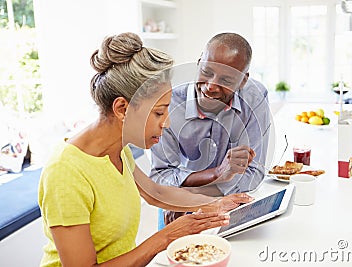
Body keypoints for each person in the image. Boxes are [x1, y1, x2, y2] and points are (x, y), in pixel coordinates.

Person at [37, 32, 253, 267]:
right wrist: (166, 237)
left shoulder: (117, 150)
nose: (167, 123)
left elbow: (155, 193)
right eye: (159, 112)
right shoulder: (65, 174)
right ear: (122, 109)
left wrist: (214, 205)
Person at [149, 33, 270, 225]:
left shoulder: (256, 98)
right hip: (178, 205)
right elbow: (161, 175)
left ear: (243, 81)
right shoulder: (169, 102)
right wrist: (189, 200)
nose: (211, 86)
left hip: (222, 203)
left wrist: (195, 197)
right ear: (199, 63)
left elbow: (253, 172)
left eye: (227, 80)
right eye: (206, 71)